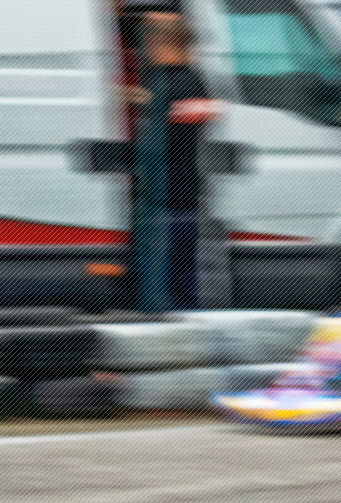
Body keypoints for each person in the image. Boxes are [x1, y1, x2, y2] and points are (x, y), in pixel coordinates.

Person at [129, 9, 223, 311]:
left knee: (167, 289)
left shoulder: (167, 84)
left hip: (165, 203)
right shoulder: (196, 82)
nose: (145, 48)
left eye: (148, 41)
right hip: (189, 200)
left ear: (160, 43)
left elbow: (156, 142)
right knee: (185, 282)